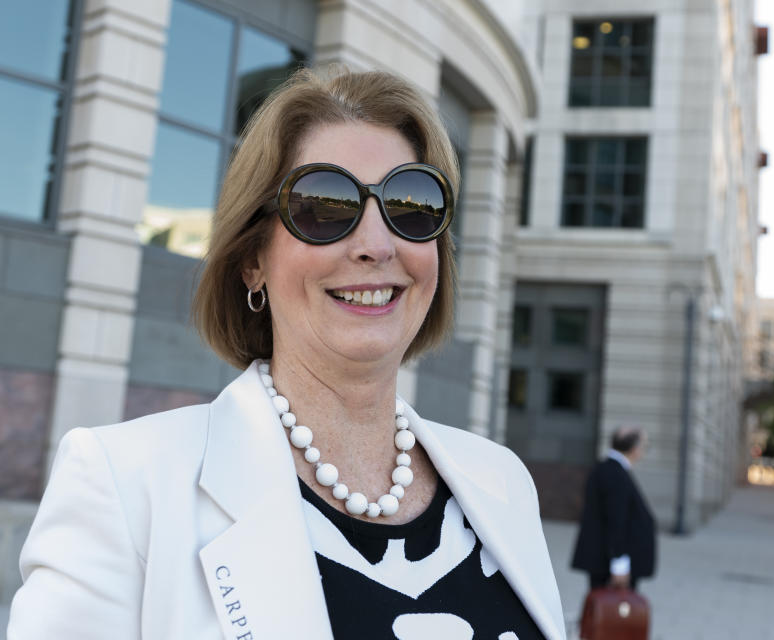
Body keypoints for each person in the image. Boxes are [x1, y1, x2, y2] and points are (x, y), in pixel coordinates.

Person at [7, 68, 564, 640]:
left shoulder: (502, 483)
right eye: (324, 207)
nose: (376, 245)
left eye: (410, 203)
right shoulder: (125, 489)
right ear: (253, 260)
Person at [571, 427, 657, 591]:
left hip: (604, 558)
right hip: (609, 563)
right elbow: (616, 521)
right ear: (634, 448)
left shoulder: (606, 469)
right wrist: (619, 565)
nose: (643, 451)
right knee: (610, 611)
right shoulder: (615, 474)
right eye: (644, 446)